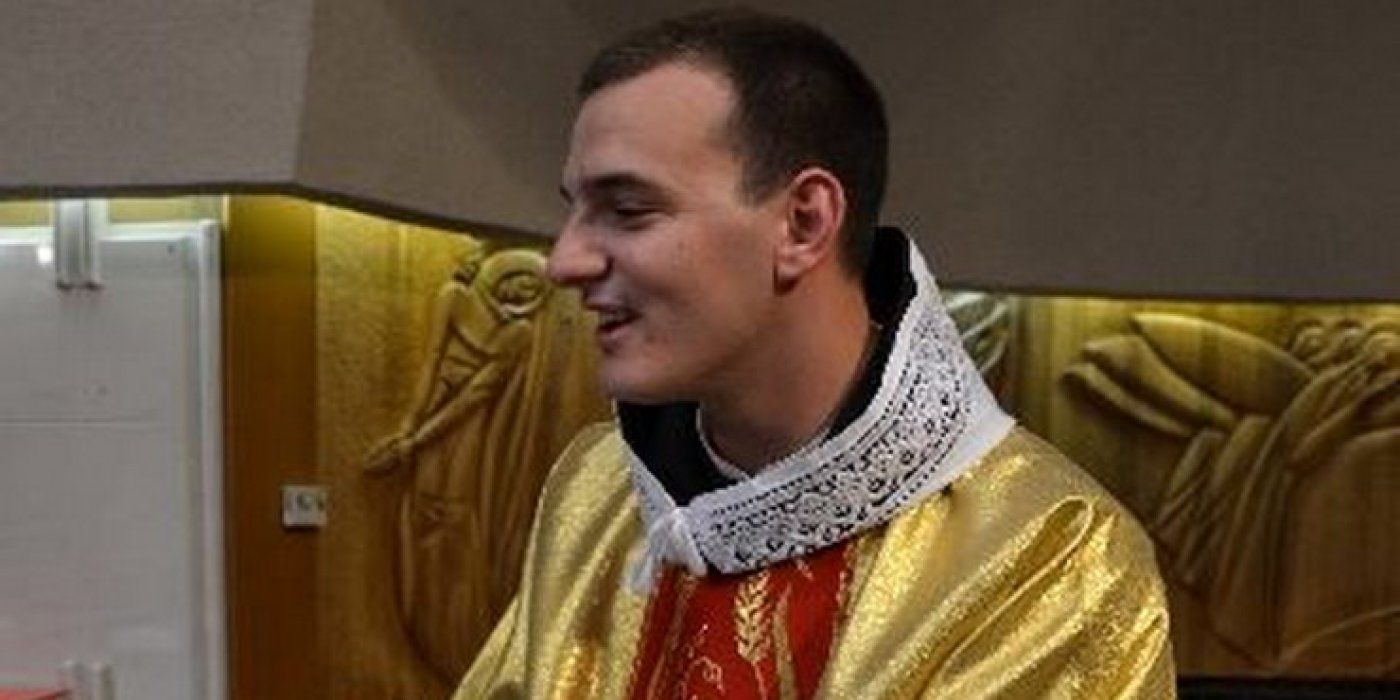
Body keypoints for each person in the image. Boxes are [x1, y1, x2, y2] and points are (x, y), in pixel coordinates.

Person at [457, 9, 1175, 698]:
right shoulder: (594, 486)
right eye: (575, 208)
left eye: (628, 209)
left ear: (803, 223)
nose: (565, 260)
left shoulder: (1050, 554)